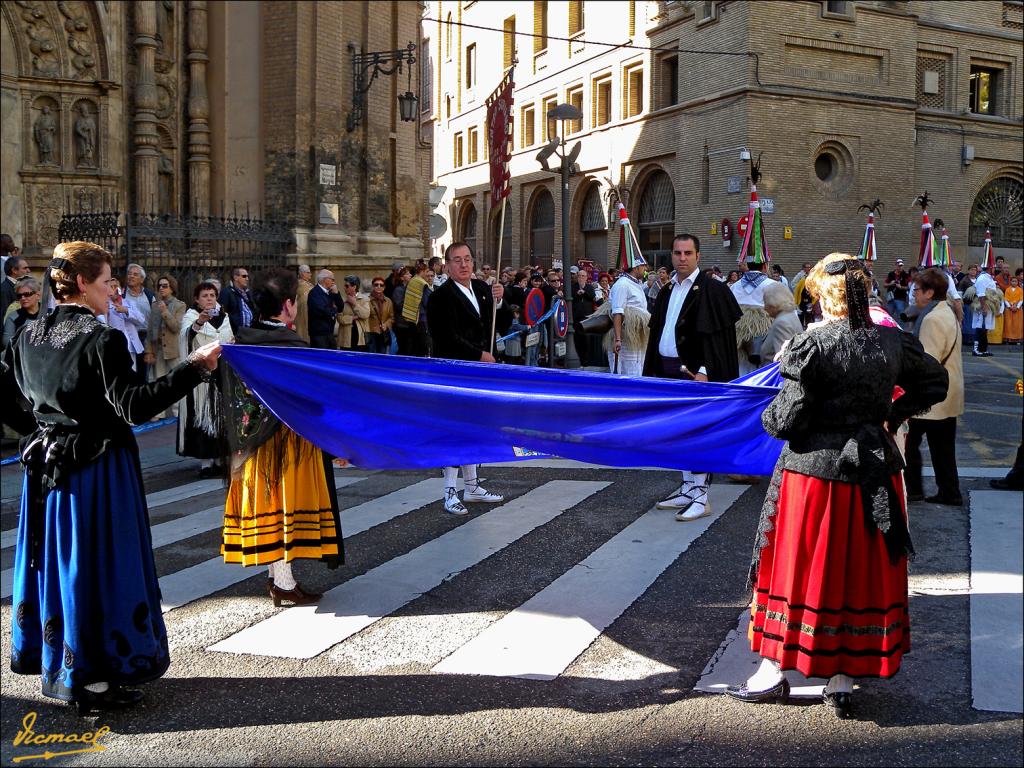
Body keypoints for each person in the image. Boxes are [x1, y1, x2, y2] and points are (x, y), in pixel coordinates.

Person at [3, 240, 220, 715]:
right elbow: (135, 407)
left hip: (48, 469)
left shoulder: (27, 336)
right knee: (97, 567)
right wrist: (194, 368)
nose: (112, 292)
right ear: (81, 283)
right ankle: (94, 679)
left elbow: (6, 395)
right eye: (106, 283)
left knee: (61, 566)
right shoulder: (103, 339)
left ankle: (67, 668)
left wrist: (41, 432)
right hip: (98, 469)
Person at [727, 253, 947, 719]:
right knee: (855, 572)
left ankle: (772, 672)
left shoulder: (813, 346)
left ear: (825, 297)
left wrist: (776, 397)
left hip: (814, 476)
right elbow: (934, 381)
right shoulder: (892, 342)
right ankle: (842, 679)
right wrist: (890, 416)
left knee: (799, 568)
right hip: (873, 469)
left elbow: (784, 419)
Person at [220, 268, 343, 606]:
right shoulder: (289, 346)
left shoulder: (241, 342)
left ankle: (278, 578)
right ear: (288, 305)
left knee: (268, 508)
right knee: (285, 509)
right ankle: (285, 584)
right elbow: (312, 399)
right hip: (288, 442)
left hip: (250, 443)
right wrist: (337, 441)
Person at [644, 234, 741, 521]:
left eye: (688, 253)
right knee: (675, 431)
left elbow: (721, 340)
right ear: (671, 256)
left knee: (697, 431)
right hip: (666, 370)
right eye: (677, 253)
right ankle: (687, 487)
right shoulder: (665, 290)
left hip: (696, 375)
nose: (682, 258)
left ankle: (701, 495)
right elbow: (657, 334)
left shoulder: (713, 290)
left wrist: (705, 371)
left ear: (698, 255)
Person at [426, 241, 510, 515]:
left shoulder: (483, 289)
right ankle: (450, 490)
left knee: (475, 427)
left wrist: (500, 300)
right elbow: (445, 337)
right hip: (455, 373)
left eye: (467, 259)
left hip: (482, 374)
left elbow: (501, 323)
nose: (463, 265)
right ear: (447, 265)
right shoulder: (440, 297)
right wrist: (479, 355)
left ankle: (472, 485)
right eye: (457, 260)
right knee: (455, 429)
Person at [902, 268, 964, 506]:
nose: (913, 294)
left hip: (932, 395)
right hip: (947, 392)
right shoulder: (944, 312)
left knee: (908, 442)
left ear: (929, 292)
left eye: (916, 290)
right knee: (943, 448)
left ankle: (914, 489)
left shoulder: (932, 319)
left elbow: (926, 362)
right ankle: (949, 492)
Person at [178, 281, 235, 477]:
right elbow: (185, 337)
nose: (209, 299)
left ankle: (219, 460)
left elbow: (229, 339)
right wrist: (199, 323)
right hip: (201, 376)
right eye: (205, 296)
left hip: (222, 373)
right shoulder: (191, 317)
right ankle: (205, 463)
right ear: (196, 299)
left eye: (212, 295)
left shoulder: (224, 317)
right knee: (203, 417)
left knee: (221, 417)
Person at [144, 274, 187, 417]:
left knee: (175, 383)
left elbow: (176, 327)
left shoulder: (180, 305)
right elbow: (150, 330)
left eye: (165, 286)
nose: (161, 288)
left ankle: (177, 414)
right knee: (157, 383)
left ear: (172, 288)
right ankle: (158, 414)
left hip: (173, 351)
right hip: (158, 351)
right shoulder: (154, 305)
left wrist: (164, 311)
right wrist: (148, 351)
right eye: (159, 286)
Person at [731, 261, 772, 376]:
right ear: (765, 266)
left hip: (739, 335)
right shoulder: (773, 285)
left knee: (741, 367)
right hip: (764, 333)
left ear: (748, 265)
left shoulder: (735, 285)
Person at [104, 276, 146, 372]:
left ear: (122, 290)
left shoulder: (130, 303)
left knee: (132, 373)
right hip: (115, 347)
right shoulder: (105, 305)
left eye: (115, 286)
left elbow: (141, 320)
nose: (113, 289)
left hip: (131, 346)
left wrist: (126, 310)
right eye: (111, 287)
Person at [760, 280, 804, 364]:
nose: (764, 308)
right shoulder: (790, 315)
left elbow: (784, 360)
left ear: (773, 303)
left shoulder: (781, 323)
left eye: (765, 302)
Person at [123, 263, 154, 380]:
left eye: (135, 274)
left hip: (145, 337)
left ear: (142, 279)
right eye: (129, 274)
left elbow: (154, 320)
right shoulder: (121, 294)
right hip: (128, 337)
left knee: (144, 373)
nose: (131, 276)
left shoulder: (149, 296)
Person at [307, 269, 344, 350]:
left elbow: (341, 307)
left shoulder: (331, 292)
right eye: (332, 279)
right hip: (319, 334)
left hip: (330, 332)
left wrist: (337, 293)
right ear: (325, 279)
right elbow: (321, 310)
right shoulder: (314, 293)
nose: (334, 282)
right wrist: (334, 310)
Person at [402, 260, 433, 357]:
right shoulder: (421, 283)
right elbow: (428, 302)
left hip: (412, 318)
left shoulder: (412, 281)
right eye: (427, 272)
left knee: (416, 346)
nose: (428, 275)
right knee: (424, 347)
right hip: (422, 319)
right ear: (423, 271)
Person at [3, 277, 42, 344]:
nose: (23, 298)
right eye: (19, 296)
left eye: (27, 294)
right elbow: (7, 342)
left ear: (38, 295)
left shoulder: (50, 313)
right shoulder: (13, 317)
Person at [337, 275, 370, 352]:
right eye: (344, 286)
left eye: (347, 286)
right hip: (345, 337)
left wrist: (354, 304)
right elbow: (340, 318)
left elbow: (365, 315)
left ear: (354, 287)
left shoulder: (364, 299)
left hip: (360, 337)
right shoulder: (342, 300)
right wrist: (353, 318)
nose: (344, 288)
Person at [970, 266, 998, 356]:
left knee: (985, 328)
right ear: (990, 268)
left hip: (988, 304)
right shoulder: (982, 278)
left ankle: (983, 349)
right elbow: (981, 294)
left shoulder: (988, 278)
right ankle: (976, 350)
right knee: (980, 327)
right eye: (993, 267)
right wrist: (984, 307)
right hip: (983, 305)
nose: (994, 269)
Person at [218, 267, 255, 333]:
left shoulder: (247, 293)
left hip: (249, 331)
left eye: (247, 276)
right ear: (235, 278)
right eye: (244, 276)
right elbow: (222, 313)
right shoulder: (226, 292)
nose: (247, 279)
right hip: (235, 332)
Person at [366, 276, 395, 354]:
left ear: (384, 287)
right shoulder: (366, 300)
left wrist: (386, 324)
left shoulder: (388, 301)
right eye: (376, 284)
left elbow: (391, 317)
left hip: (383, 333)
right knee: (371, 355)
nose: (379, 287)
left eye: (381, 285)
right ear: (373, 286)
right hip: (371, 332)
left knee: (382, 354)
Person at [293, 264, 314, 343]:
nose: (310, 274)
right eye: (308, 272)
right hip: (302, 314)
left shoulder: (309, 285)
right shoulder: (299, 285)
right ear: (302, 274)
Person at [1002, 276, 1022, 344]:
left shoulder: (1020, 290)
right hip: (1009, 309)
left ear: (1018, 282)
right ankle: (1008, 338)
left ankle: (1017, 339)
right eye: (1012, 281)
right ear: (1010, 282)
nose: (1014, 282)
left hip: (1018, 309)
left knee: (1017, 324)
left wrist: (1017, 307)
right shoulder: (1007, 289)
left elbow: (1021, 299)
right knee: (1009, 324)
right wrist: (1009, 306)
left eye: (1015, 281)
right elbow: (1005, 299)